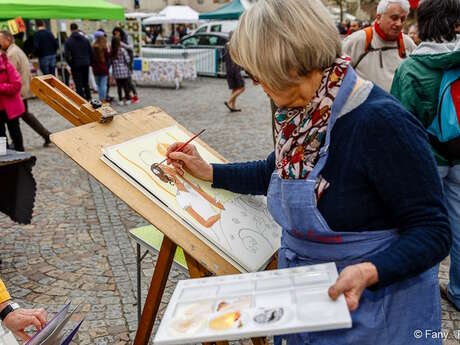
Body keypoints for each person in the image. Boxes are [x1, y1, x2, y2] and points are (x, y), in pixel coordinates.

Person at [166, 1, 451, 344]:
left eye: (259, 73)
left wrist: (372, 270)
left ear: (288, 65)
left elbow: (433, 231)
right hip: (313, 304)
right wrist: (208, 171)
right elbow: (274, 173)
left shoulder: (381, 122)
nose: (257, 83)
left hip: (376, 316)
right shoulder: (304, 115)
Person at [391, 0, 460, 312]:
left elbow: (398, 124)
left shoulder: (412, 67)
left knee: (423, 226)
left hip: (428, 158)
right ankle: (458, 291)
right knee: (459, 224)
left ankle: (423, 296)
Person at [343, 0, 416, 92]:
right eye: (394, 18)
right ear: (378, 17)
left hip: (397, 105)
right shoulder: (357, 40)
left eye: (402, 19)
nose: (399, 24)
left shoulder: (408, 43)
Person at [0, 31, 51, 147]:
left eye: (0, 39)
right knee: (21, 118)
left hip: (16, 92)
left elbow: (10, 76)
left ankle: (44, 136)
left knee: (16, 120)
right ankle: (45, 135)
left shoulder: (11, 54)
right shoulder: (15, 50)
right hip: (20, 89)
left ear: (7, 39)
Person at [0, 53, 24, 151]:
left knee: (15, 132)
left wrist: (1, 87)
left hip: (11, 108)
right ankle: (3, 158)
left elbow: (16, 85)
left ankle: (21, 157)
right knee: (0, 136)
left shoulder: (7, 66)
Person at [65, 23, 92, 100]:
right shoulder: (85, 39)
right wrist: (89, 61)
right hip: (85, 63)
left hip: (75, 63)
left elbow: (66, 55)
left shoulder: (69, 41)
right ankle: (88, 97)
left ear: (70, 29)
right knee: (86, 82)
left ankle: (81, 99)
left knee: (78, 83)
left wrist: (71, 64)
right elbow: (90, 52)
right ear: (77, 28)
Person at [112, 27, 138, 104]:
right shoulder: (118, 49)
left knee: (128, 82)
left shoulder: (127, 38)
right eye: (115, 33)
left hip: (125, 65)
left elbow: (130, 47)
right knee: (124, 84)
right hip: (123, 67)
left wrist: (120, 43)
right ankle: (128, 97)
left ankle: (133, 96)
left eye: (117, 32)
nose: (116, 34)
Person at [223, 32, 245, 112]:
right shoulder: (235, 46)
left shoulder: (226, 45)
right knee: (242, 88)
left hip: (228, 69)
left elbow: (224, 58)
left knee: (235, 88)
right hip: (235, 69)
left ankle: (233, 106)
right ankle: (229, 102)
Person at [110, 37, 131, 106]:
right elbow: (128, 60)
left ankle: (120, 100)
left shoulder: (112, 51)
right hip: (124, 71)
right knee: (126, 86)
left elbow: (111, 62)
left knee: (119, 87)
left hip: (116, 71)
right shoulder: (122, 50)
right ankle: (128, 99)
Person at [91, 31, 110, 103]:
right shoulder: (104, 48)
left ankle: (100, 98)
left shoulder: (93, 48)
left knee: (98, 85)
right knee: (103, 85)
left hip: (95, 69)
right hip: (104, 68)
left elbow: (91, 59)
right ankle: (103, 99)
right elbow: (108, 57)